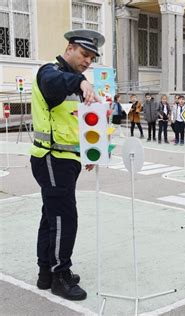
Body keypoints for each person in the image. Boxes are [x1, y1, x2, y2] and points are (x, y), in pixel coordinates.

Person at [30, 29, 105, 301]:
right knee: (64, 217)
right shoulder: (50, 72)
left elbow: (76, 122)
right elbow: (54, 83)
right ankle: (61, 275)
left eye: (91, 58)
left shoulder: (74, 79)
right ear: (70, 48)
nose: (87, 61)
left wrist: (88, 152)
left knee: (51, 216)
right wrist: (81, 82)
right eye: (84, 54)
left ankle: (46, 273)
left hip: (67, 159)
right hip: (51, 158)